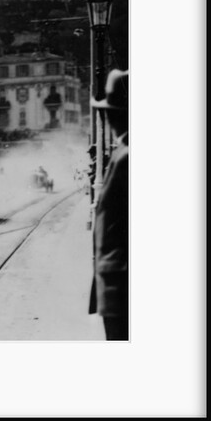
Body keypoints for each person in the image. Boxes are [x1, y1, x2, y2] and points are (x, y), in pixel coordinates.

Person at [88, 69, 129, 341]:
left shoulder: (127, 157)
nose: (108, 119)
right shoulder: (122, 153)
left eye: (110, 113)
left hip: (121, 287)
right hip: (116, 285)